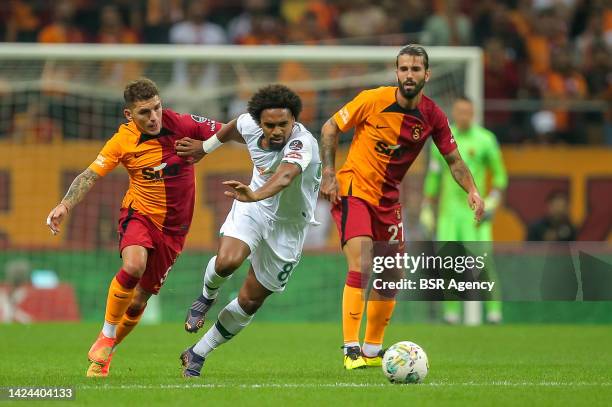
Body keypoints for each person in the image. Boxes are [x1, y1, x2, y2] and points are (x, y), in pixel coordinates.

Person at [319, 44, 484, 370]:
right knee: (363, 261)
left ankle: (371, 349)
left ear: (426, 74)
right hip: (354, 189)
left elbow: (454, 160)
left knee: (391, 275)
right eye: (404, 69)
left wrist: (473, 190)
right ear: (397, 73)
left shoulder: (433, 115)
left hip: (388, 200)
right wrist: (328, 172)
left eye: (416, 69)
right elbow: (330, 127)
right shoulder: (372, 99)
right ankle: (351, 347)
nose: (409, 75)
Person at [45, 78, 222, 377]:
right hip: (138, 214)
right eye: (144, 112)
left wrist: (208, 146)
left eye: (157, 108)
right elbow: (89, 175)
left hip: (175, 231)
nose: (153, 117)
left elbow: (232, 129)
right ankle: (105, 334)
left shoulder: (183, 124)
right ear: (129, 115)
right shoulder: (122, 141)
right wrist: (64, 205)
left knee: (140, 299)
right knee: (135, 265)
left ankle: (107, 351)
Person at [174, 84, 321, 377]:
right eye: (270, 125)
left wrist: (255, 194)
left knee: (250, 300)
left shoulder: (303, 143)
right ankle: (205, 297)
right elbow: (232, 128)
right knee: (228, 260)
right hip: (253, 206)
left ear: (294, 120)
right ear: (259, 123)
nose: (278, 130)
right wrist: (205, 149)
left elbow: (285, 177)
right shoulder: (248, 125)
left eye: (284, 124)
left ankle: (198, 352)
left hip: (288, 226)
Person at [421, 96, 508, 324]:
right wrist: (427, 207)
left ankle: (494, 312)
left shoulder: (486, 140)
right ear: (453, 113)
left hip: (475, 213)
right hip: (449, 214)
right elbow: (433, 176)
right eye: (460, 111)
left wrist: (493, 201)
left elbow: (499, 175)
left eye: (468, 111)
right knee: (449, 264)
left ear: (474, 113)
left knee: (482, 262)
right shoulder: (440, 140)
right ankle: (451, 314)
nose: (464, 116)